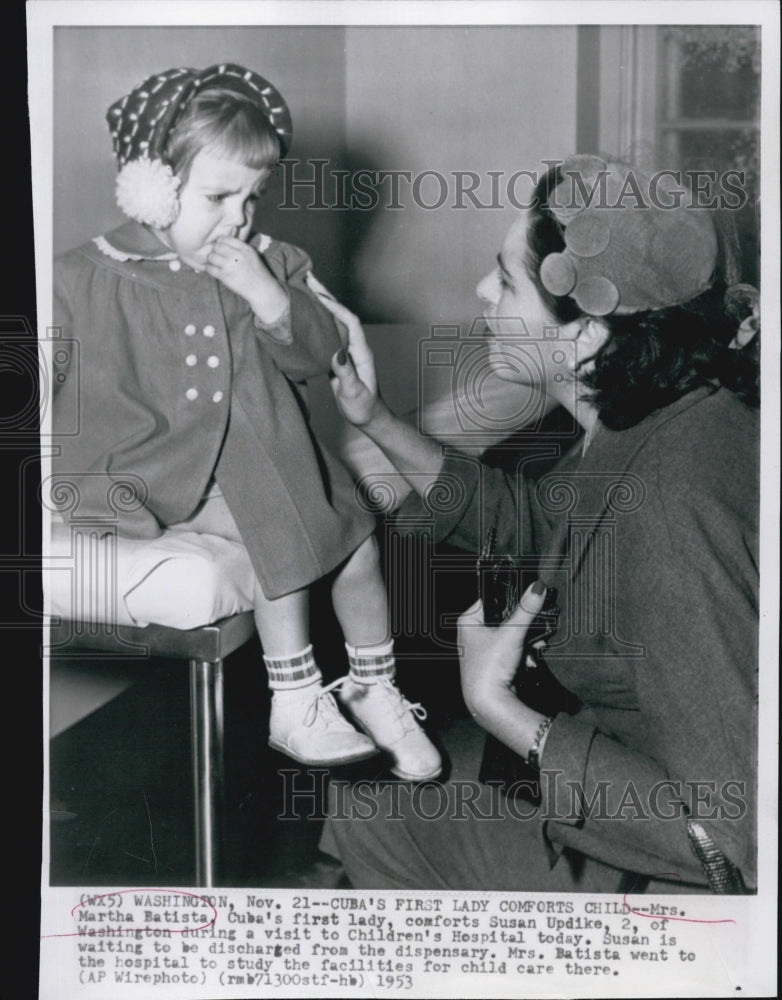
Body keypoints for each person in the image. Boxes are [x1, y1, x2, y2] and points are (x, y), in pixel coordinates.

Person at [311, 155, 759, 893]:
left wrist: (503, 709)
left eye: (507, 280)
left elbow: (728, 836)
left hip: (697, 879)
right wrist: (375, 418)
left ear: (584, 337)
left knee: (371, 813)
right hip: (644, 764)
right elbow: (540, 520)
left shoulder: (673, 511)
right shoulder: (665, 414)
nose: (483, 292)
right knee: (368, 806)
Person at [51, 63, 441, 781]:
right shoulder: (79, 276)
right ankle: (294, 698)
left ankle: (371, 683)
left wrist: (271, 302)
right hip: (142, 471)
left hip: (257, 455)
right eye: (219, 196)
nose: (240, 218)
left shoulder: (268, 262)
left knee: (355, 535)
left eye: (252, 198)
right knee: (282, 521)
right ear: (150, 187)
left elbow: (320, 358)